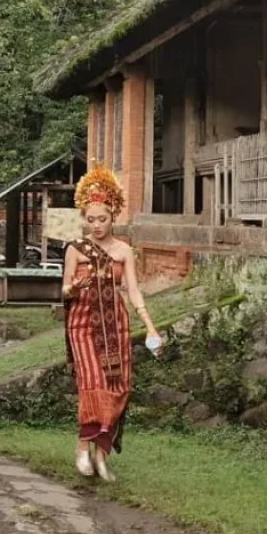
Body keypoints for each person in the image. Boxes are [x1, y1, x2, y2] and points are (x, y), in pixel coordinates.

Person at [63, 165, 162, 482]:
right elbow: (64, 289)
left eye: (101, 219)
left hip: (115, 322)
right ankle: (82, 448)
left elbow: (132, 290)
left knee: (118, 387)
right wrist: (76, 287)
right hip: (82, 322)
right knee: (92, 385)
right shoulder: (75, 249)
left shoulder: (123, 251)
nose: (95, 225)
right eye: (89, 220)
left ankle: (101, 455)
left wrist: (149, 325)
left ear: (113, 215)